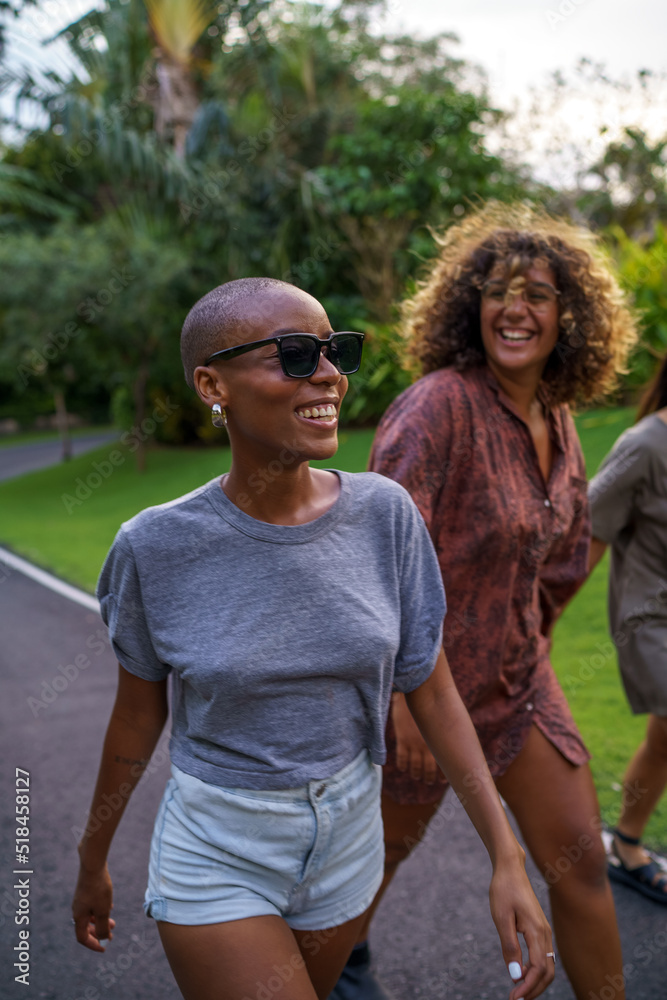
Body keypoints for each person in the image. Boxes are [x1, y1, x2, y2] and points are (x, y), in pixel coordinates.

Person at [71, 277, 555, 1000]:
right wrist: (92, 858)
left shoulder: (385, 514)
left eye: (335, 351)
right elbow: (139, 715)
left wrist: (505, 856)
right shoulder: (154, 546)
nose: (328, 374)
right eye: (295, 355)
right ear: (212, 385)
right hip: (220, 849)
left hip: (349, 843)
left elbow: (431, 690)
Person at [329, 204, 638, 1000]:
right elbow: (373, 555)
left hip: (515, 685)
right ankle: (335, 965)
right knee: (372, 863)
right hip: (420, 692)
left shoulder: (557, 419)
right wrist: (401, 696)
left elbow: (558, 562)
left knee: (577, 862)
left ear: (568, 316)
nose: (514, 308)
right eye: (497, 291)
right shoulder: (436, 407)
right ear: (470, 306)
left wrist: (533, 640)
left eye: (536, 293)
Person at [588, 350, 667, 904]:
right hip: (651, 617)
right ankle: (627, 847)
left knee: (664, 739)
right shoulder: (644, 446)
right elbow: (586, 534)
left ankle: (627, 842)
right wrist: (540, 623)